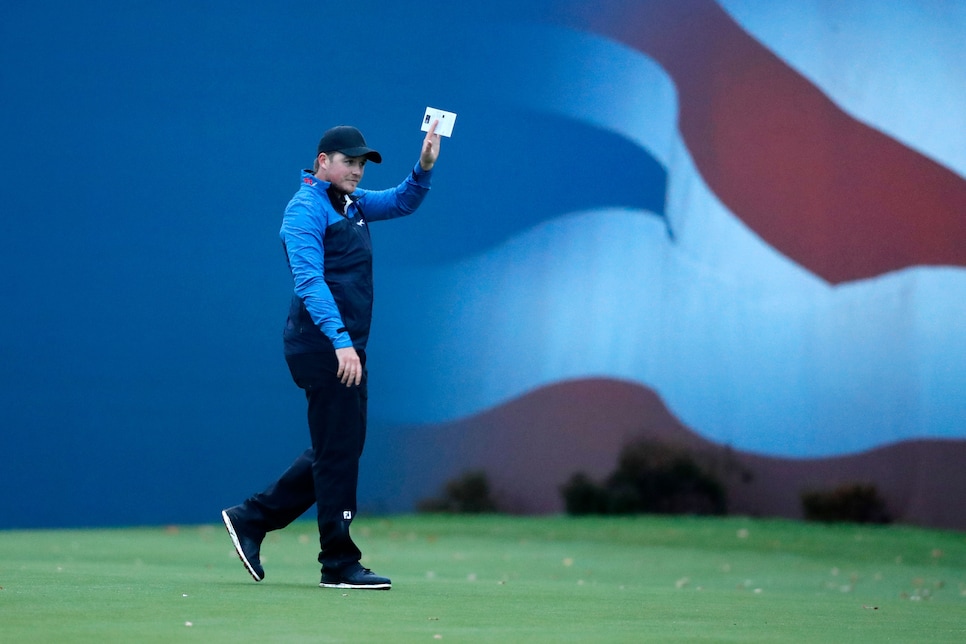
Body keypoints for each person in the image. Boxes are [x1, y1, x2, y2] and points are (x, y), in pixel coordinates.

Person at [221, 121, 441, 590]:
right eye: (349, 162)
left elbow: (402, 200)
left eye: (362, 164)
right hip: (323, 346)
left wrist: (423, 167)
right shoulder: (305, 209)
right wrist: (341, 341)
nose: (357, 171)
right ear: (323, 162)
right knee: (338, 452)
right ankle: (338, 562)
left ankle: (251, 519)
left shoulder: (351, 203)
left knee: (337, 448)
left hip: (344, 347)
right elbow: (309, 280)